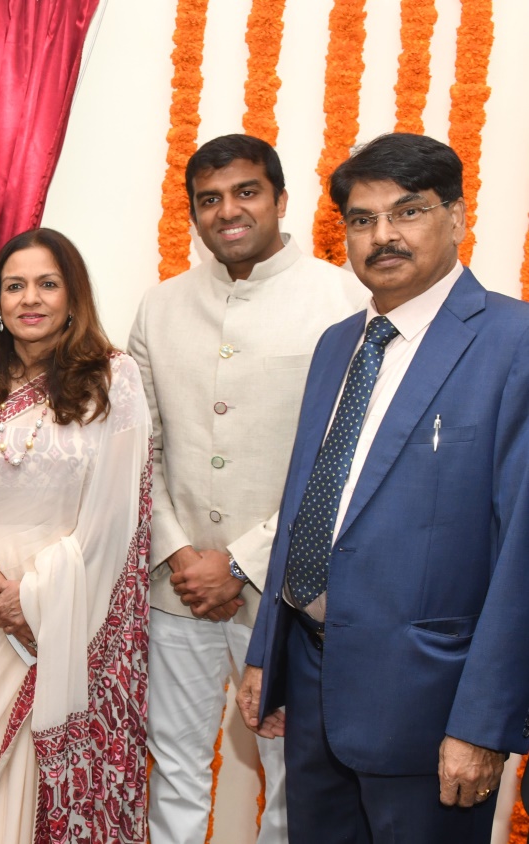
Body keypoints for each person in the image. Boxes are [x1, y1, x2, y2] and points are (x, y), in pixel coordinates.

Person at [237, 132, 529, 843]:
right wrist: (265, 654)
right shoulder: (340, 341)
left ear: (457, 217)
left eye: (408, 212)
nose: (383, 236)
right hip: (312, 685)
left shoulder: (512, 342)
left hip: (430, 709)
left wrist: (482, 724)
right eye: (362, 220)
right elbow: (311, 498)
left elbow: (523, 553)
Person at [127, 134, 362, 844]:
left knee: (291, 777)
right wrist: (178, 552)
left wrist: (240, 562)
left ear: (281, 199)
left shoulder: (342, 298)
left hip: (289, 594)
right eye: (209, 199)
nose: (228, 211)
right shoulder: (161, 306)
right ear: (194, 213)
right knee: (173, 769)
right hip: (178, 591)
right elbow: (141, 448)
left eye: (246, 192)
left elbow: (343, 458)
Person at [0, 227, 152, 843]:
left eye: (47, 284)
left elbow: (116, 518)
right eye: (15, 286)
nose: (31, 299)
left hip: (77, 600)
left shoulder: (113, 379)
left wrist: (42, 601)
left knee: (54, 772)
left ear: (72, 296)